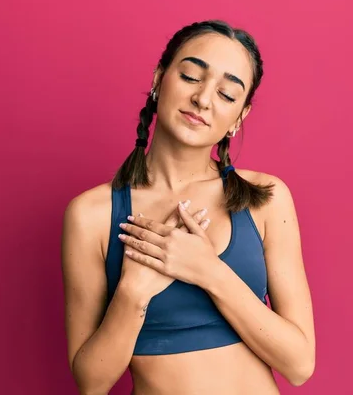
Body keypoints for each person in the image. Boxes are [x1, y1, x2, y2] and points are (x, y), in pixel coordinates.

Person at [61, 20, 316, 395]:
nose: (204, 99)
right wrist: (134, 289)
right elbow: (92, 383)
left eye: (227, 95)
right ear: (159, 78)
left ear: (239, 117)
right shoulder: (92, 215)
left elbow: (299, 365)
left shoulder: (265, 197)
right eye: (192, 76)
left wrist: (209, 271)